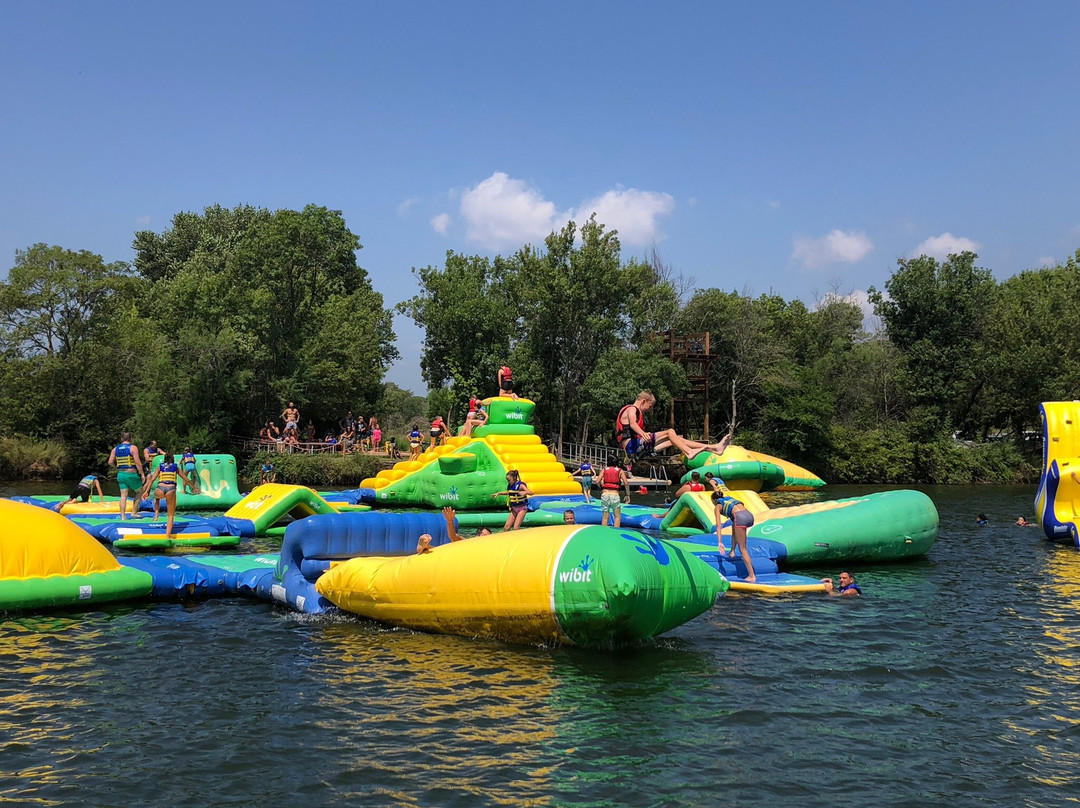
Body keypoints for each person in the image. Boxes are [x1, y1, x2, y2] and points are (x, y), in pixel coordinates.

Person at [616, 391, 733, 461]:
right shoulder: (632, 409)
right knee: (670, 431)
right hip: (632, 446)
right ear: (643, 401)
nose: (650, 409)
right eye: (650, 406)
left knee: (675, 440)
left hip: (635, 449)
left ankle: (713, 448)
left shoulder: (636, 410)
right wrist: (642, 433)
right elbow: (632, 423)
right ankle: (689, 452)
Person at [140, 453, 196, 537]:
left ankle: (156, 515)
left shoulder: (160, 467)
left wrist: (146, 492)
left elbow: (152, 480)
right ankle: (167, 535)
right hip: (171, 490)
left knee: (157, 498)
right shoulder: (176, 467)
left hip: (160, 490)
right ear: (172, 459)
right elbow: (186, 479)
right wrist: (194, 488)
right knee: (170, 515)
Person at [713, 489, 756, 583]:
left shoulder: (717, 506)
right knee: (734, 526)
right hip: (749, 515)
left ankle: (752, 576)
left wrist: (720, 542)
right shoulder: (729, 498)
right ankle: (732, 551)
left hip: (740, 517)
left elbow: (718, 525)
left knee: (743, 549)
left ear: (714, 500)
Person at [108, 432, 145, 520]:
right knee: (140, 492)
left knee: (123, 496)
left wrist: (117, 467)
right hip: (131, 474)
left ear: (121, 439)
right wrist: (142, 474)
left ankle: (123, 516)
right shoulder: (133, 448)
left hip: (121, 474)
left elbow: (110, 462)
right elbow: (138, 462)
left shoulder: (115, 449)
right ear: (130, 439)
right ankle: (134, 513)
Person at [599, 454, 630, 528]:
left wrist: (601, 487)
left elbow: (597, 481)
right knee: (617, 517)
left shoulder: (604, 470)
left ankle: (603, 531)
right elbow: (626, 483)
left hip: (605, 494)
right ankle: (616, 533)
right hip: (615, 495)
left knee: (605, 517)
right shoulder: (620, 471)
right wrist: (628, 494)